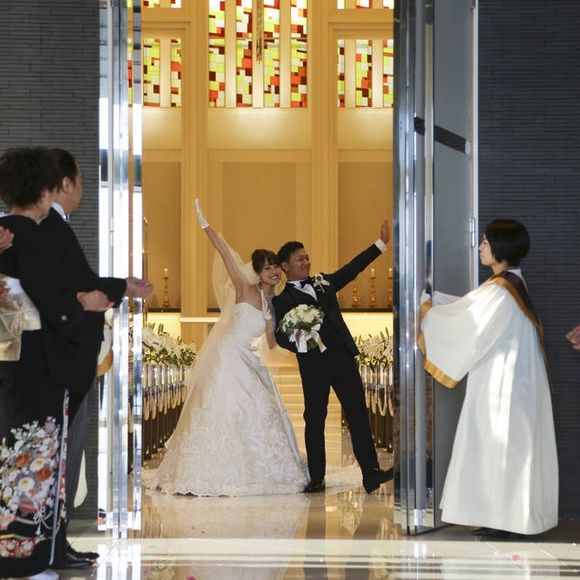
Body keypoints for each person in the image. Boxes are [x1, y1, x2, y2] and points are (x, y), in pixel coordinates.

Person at [0, 147, 112, 578]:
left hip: (11, 357)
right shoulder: (28, 234)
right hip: (36, 362)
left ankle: (20, 554)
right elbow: (50, 295)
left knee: (18, 458)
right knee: (36, 459)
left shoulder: (5, 231)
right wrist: (83, 303)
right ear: (47, 190)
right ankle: (27, 560)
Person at [40, 148, 153, 570]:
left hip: (70, 360)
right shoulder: (46, 228)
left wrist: (121, 286)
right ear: (65, 184)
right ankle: (49, 545)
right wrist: (115, 289)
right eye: (81, 181)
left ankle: (57, 541)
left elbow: (81, 284)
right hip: (60, 361)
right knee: (59, 456)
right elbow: (70, 289)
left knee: (65, 456)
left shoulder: (54, 226)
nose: (83, 190)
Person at [149, 200, 307, 496]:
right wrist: (205, 225)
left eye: (276, 267)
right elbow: (224, 253)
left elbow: (272, 341)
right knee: (220, 404)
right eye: (267, 267)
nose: (273, 271)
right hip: (227, 356)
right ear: (258, 272)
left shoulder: (274, 305)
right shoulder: (244, 289)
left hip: (251, 358)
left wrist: (301, 336)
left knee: (261, 407)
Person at [419, 219, 558, 538]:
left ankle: (508, 520)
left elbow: (468, 319)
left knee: (503, 446)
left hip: (506, 383)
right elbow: (471, 308)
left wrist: (427, 309)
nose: (481, 247)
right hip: (505, 378)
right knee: (496, 446)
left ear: (501, 247)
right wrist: (439, 302)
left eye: (485, 242)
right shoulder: (505, 285)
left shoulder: (502, 290)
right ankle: (496, 516)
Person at [272, 223, 393, 494]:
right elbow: (279, 335)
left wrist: (379, 245)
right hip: (313, 364)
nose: (306, 262)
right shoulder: (281, 300)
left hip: (342, 357)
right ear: (286, 266)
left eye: (307, 257)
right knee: (315, 417)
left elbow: (352, 269)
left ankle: (371, 473)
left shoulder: (323, 281)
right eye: (300, 259)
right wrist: (300, 341)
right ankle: (317, 477)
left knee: (357, 413)